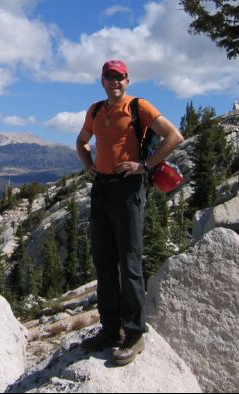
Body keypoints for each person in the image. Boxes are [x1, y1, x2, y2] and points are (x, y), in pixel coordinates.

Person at [75, 59, 184, 365]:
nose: (115, 83)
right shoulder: (95, 110)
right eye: (110, 78)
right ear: (103, 81)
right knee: (104, 262)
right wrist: (88, 167)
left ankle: (134, 334)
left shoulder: (139, 107)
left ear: (127, 80)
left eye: (120, 78)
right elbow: (81, 142)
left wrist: (144, 166)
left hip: (128, 188)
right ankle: (110, 330)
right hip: (102, 189)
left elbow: (174, 136)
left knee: (130, 262)